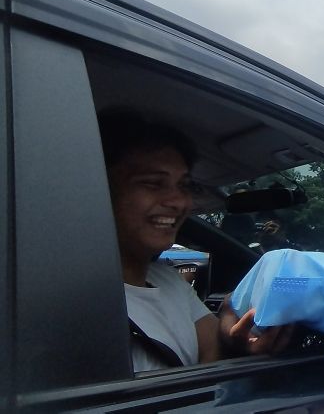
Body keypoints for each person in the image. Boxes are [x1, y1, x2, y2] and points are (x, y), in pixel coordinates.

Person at [100, 110, 293, 372]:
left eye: (184, 185)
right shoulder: (68, 299)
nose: (179, 202)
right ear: (101, 187)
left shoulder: (166, 280)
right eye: (153, 183)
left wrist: (229, 314)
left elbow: (214, 353)